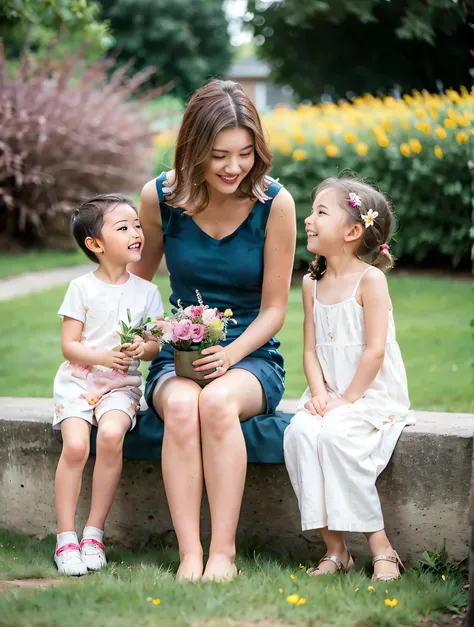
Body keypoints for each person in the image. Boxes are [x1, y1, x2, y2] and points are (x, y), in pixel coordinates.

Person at [130, 80, 296, 581]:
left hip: (252, 355)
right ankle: (190, 555)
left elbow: (274, 310)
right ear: (194, 150)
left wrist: (230, 356)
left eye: (245, 153)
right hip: (178, 353)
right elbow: (137, 289)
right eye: (219, 155)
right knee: (182, 405)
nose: (233, 168)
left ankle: (222, 553)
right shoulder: (160, 198)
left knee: (218, 403)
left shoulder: (276, 204)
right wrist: (145, 338)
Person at [284, 177, 413, 582]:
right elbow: (309, 350)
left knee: (337, 435)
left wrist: (348, 399)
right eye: (311, 209)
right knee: (301, 433)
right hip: (332, 391)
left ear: (353, 231)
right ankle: (336, 549)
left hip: (370, 393)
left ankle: (382, 547)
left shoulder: (370, 281)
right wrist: (320, 394)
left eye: (321, 212)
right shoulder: (311, 283)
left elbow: (374, 350)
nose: (308, 219)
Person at [53, 194, 163, 575]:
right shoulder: (81, 288)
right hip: (79, 382)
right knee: (78, 446)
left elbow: (153, 347)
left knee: (112, 436)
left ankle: (93, 534)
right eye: (123, 227)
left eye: (136, 225)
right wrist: (101, 357)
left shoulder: (147, 292)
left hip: (120, 387)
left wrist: (142, 346)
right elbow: (69, 345)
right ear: (95, 245)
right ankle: (65, 537)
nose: (136, 232)